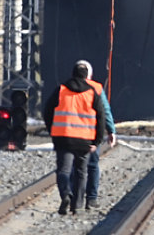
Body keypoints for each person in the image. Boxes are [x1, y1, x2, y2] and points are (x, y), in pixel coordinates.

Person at [43, 62, 109, 215]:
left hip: (63, 138)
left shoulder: (61, 90)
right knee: (81, 172)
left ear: (72, 74)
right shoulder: (92, 93)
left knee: (63, 170)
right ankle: (77, 205)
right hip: (84, 140)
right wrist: (97, 141)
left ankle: (65, 193)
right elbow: (101, 117)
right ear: (87, 77)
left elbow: (47, 110)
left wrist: (52, 130)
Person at [76, 60, 117, 209]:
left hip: (73, 134)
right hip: (92, 134)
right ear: (90, 75)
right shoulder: (97, 88)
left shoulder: (66, 87)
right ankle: (91, 199)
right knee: (92, 165)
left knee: (76, 166)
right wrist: (111, 130)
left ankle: (76, 199)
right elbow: (105, 111)